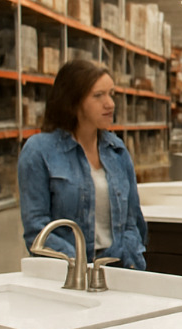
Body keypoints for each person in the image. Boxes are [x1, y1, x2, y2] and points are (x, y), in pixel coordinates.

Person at [18, 59, 148, 270]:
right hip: (67, 274)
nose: (110, 104)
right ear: (73, 101)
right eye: (98, 96)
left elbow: (132, 222)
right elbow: (37, 230)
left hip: (119, 269)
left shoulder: (117, 151)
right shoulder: (39, 152)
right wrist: (81, 266)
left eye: (111, 94)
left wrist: (125, 260)